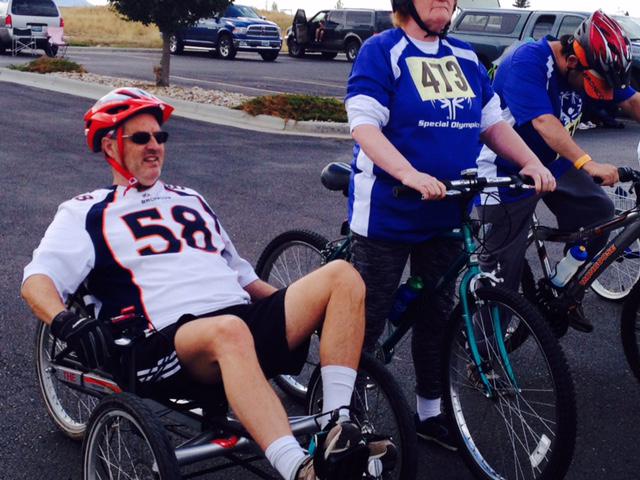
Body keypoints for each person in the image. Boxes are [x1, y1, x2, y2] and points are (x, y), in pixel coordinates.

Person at [21, 88, 391, 480]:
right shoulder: (85, 211)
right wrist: (65, 321)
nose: (154, 146)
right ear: (110, 144)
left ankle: (337, 432)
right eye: (141, 138)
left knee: (342, 276)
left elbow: (242, 276)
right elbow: (37, 279)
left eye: (159, 137)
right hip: (167, 341)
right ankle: (300, 471)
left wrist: (309, 311)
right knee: (228, 331)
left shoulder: (190, 198)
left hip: (237, 320)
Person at [344, 0, 555, 451]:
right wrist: (408, 173)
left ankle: (429, 413)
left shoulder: (465, 58)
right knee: (367, 318)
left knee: (436, 316)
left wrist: (533, 162)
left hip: (447, 210)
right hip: (389, 211)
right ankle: (346, 418)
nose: (442, 1)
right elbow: (364, 127)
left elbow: (493, 125)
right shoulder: (383, 50)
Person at [477, 10, 640, 333]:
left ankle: (563, 285)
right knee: (501, 268)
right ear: (575, 59)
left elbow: (632, 102)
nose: (603, 95)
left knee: (599, 212)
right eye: (597, 86)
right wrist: (588, 163)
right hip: (505, 167)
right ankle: (482, 349)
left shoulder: (596, 69)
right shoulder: (529, 61)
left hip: (554, 161)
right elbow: (544, 123)